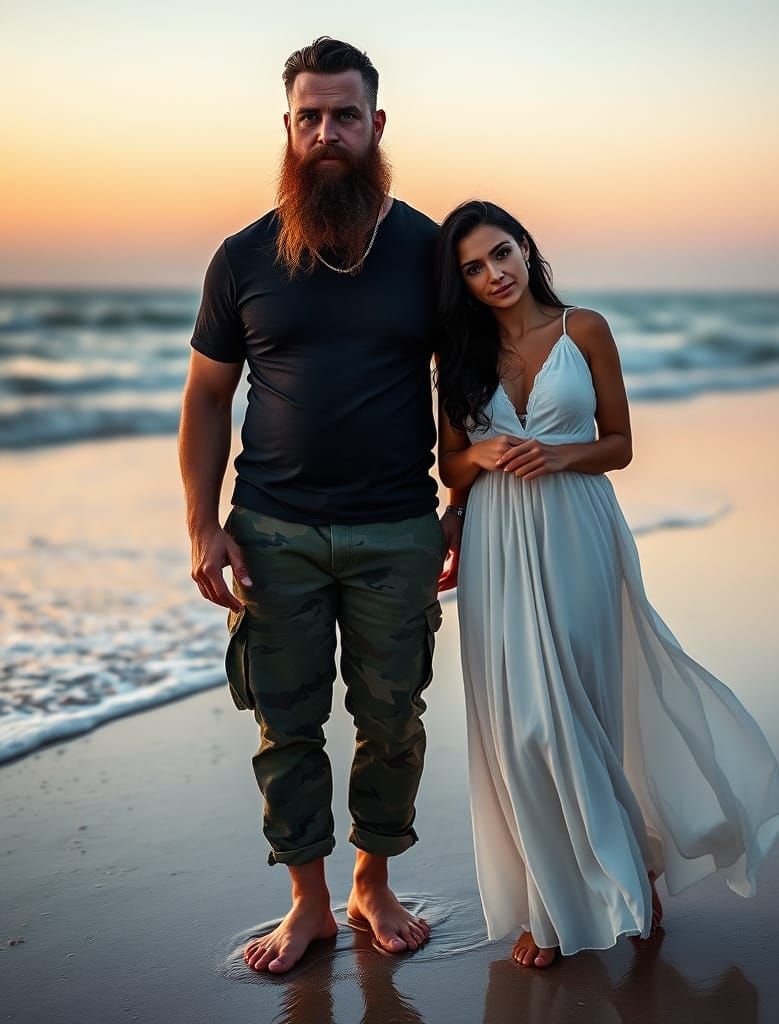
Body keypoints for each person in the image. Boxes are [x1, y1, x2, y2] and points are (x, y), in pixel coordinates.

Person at [436, 200, 779, 968]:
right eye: (472, 267)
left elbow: (621, 444)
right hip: (498, 540)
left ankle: (627, 872)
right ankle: (553, 902)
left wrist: (558, 456)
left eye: (501, 253)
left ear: (526, 249)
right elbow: (451, 463)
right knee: (520, 724)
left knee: (581, 706)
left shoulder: (583, 330)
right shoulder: (456, 355)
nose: (493, 274)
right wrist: (484, 459)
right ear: (459, 281)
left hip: (578, 530)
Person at [178, 37, 465, 974]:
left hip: (396, 530)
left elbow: (464, 392)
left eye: (347, 115)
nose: (329, 132)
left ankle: (371, 883)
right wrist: (202, 523)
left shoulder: (429, 252)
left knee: (393, 720)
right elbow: (208, 398)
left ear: (378, 125)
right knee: (285, 723)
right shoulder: (243, 257)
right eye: (312, 116)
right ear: (288, 127)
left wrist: (459, 503)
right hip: (271, 533)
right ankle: (306, 904)